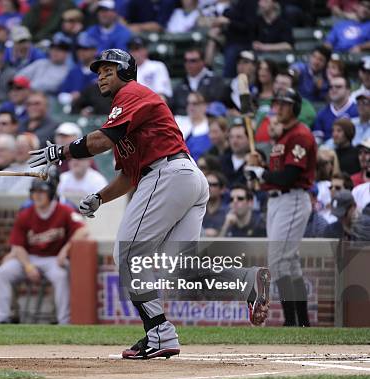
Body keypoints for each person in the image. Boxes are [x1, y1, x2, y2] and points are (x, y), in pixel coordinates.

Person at [29, 49, 270, 358]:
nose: (101, 75)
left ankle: (159, 333)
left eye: (108, 70)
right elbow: (130, 175)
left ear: (126, 72)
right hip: (183, 178)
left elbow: (102, 140)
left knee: (127, 252)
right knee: (181, 269)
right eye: (99, 71)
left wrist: (60, 152)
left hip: (169, 174)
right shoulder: (122, 111)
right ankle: (248, 282)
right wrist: (100, 197)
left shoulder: (133, 93)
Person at [244, 87, 317, 327]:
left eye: (285, 103)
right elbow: (277, 174)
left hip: (292, 197)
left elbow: (288, 176)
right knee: (289, 263)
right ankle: (302, 323)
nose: (280, 107)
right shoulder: (284, 136)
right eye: (278, 103)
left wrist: (262, 172)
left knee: (278, 260)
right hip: (277, 200)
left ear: (295, 107)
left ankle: (290, 322)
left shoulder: (300, 135)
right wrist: (261, 168)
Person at [0, 178, 88, 324]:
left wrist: (65, 250)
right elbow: (18, 246)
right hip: (29, 258)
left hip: (53, 259)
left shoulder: (64, 210)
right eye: (34, 192)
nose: (37, 196)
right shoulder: (26, 213)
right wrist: (28, 266)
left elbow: (83, 230)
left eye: (42, 192)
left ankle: (64, 322)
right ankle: (2, 319)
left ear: (50, 194)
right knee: (3, 272)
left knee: (61, 276)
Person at [170, 48, 228, 116]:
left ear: (202, 61)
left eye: (193, 60)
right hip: (182, 121)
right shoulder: (179, 86)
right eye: (186, 60)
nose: (188, 64)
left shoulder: (216, 81)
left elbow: (219, 105)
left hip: (209, 120)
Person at [313, 76, 358, 146]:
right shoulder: (322, 113)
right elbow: (318, 140)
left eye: (338, 87)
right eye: (330, 87)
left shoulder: (358, 110)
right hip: (327, 152)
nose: (333, 89)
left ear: (348, 90)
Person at [220, 118, 250, 186]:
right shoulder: (222, 161)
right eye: (231, 137)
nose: (234, 141)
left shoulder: (255, 160)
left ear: (249, 139)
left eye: (239, 137)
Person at [202, 171, 228, 237]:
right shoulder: (197, 210)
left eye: (213, 185)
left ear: (223, 189)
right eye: (206, 184)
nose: (208, 187)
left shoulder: (228, 212)